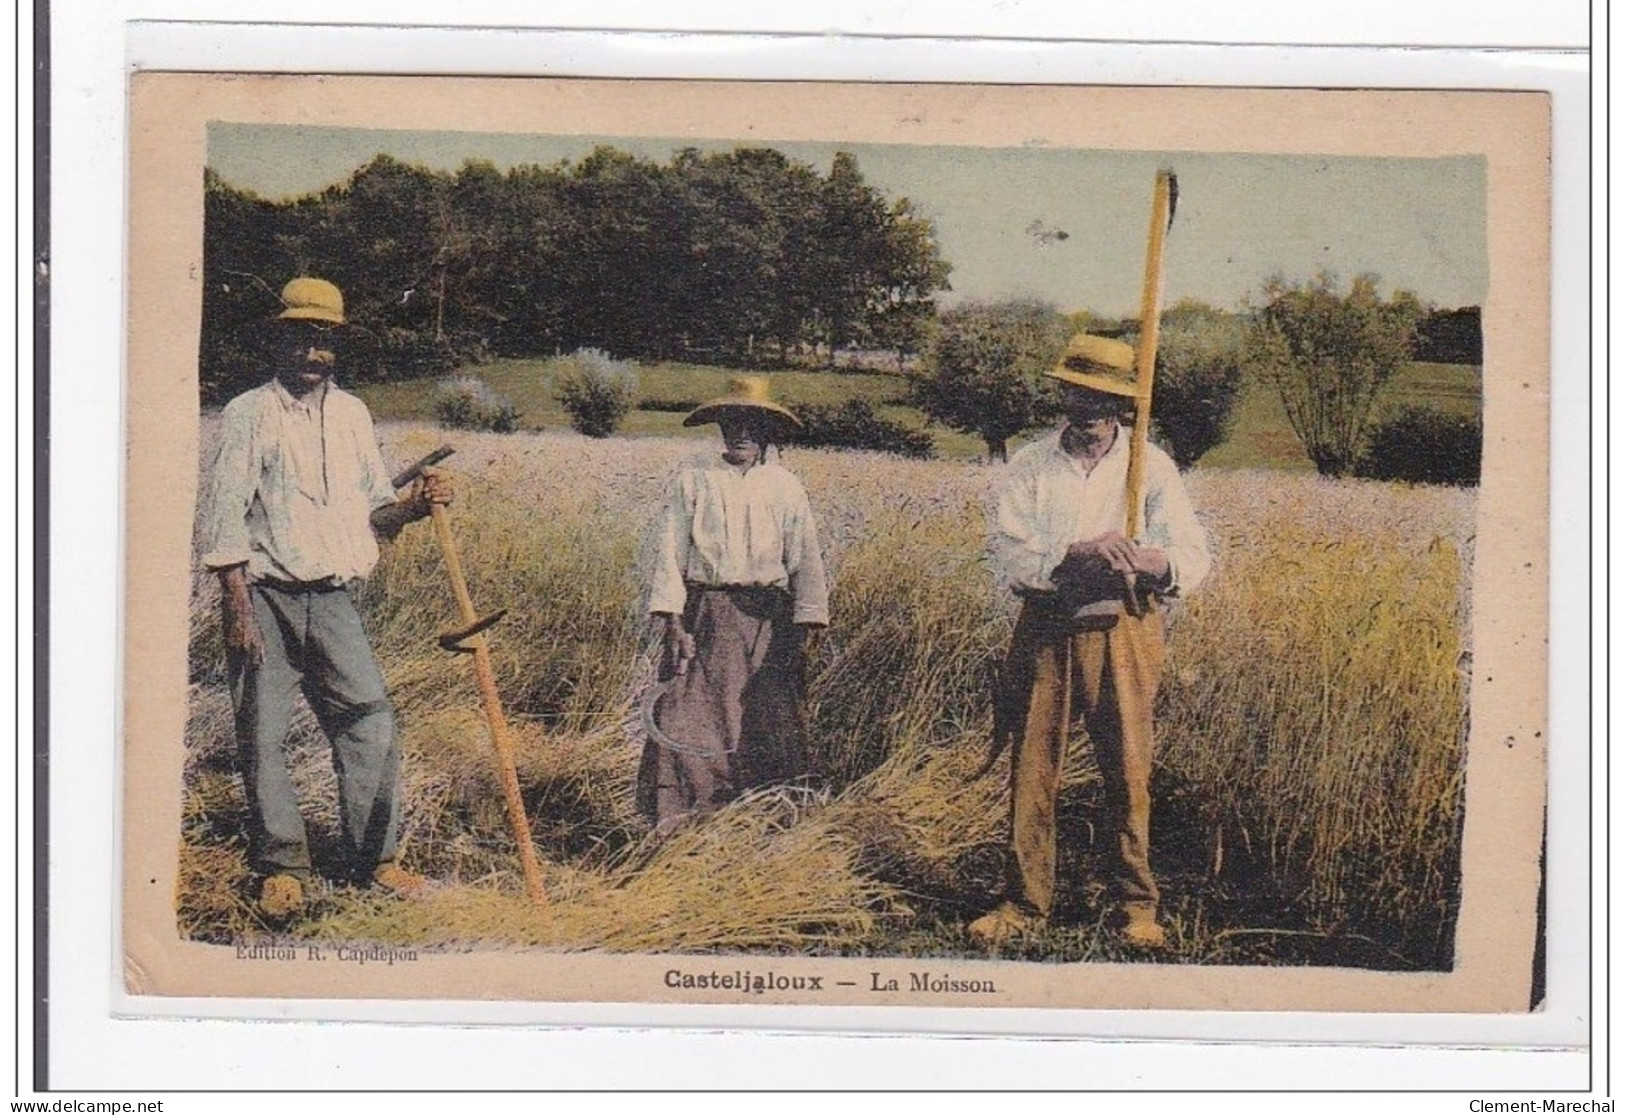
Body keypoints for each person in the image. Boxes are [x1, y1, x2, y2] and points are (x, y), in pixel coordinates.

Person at [199, 277, 453, 920]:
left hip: (333, 597)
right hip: (264, 595)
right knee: (264, 732)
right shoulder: (249, 412)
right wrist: (235, 606)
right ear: (279, 339)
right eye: (302, 338)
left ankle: (378, 859)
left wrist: (417, 508)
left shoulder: (353, 415)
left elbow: (376, 514)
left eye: (325, 341)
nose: (314, 355)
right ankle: (281, 866)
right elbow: (224, 511)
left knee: (370, 721)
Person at [970, 333, 1212, 950]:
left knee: (1128, 768)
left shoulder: (1149, 466)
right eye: (1079, 395)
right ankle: (1025, 901)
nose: (1090, 411)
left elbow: (1191, 554)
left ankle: (1136, 905)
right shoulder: (1029, 465)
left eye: (1104, 399)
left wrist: (1151, 561)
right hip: (1048, 626)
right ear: (1063, 395)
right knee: (1034, 766)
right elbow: (1011, 559)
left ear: (1125, 405)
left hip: (1125, 627)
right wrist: (1075, 553)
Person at [637, 376, 830, 835]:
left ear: (767, 432)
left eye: (751, 425)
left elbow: (806, 558)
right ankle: (685, 824)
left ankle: (764, 822)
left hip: (768, 620)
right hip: (706, 615)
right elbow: (670, 552)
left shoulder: (786, 488)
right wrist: (675, 623)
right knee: (689, 716)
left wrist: (805, 625)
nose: (740, 434)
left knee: (766, 717)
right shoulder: (694, 482)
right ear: (720, 429)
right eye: (731, 424)